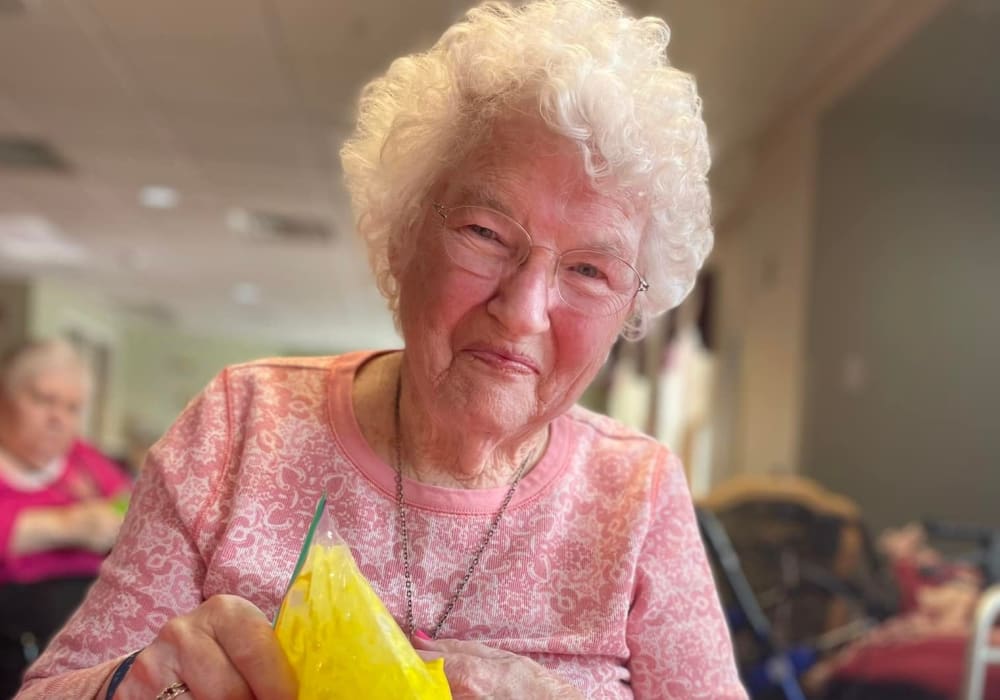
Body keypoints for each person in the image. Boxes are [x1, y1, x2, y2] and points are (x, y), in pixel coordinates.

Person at [17, 1, 746, 698]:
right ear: (404, 237)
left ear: (631, 308)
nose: (523, 310)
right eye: (485, 233)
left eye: (589, 271)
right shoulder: (243, 425)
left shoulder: (638, 492)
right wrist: (142, 686)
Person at [0, 339, 129, 698]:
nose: (58, 419)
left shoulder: (84, 460)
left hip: (88, 639)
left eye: (72, 408)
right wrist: (67, 525)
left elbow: (131, 506)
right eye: (44, 400)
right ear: (4, 397)